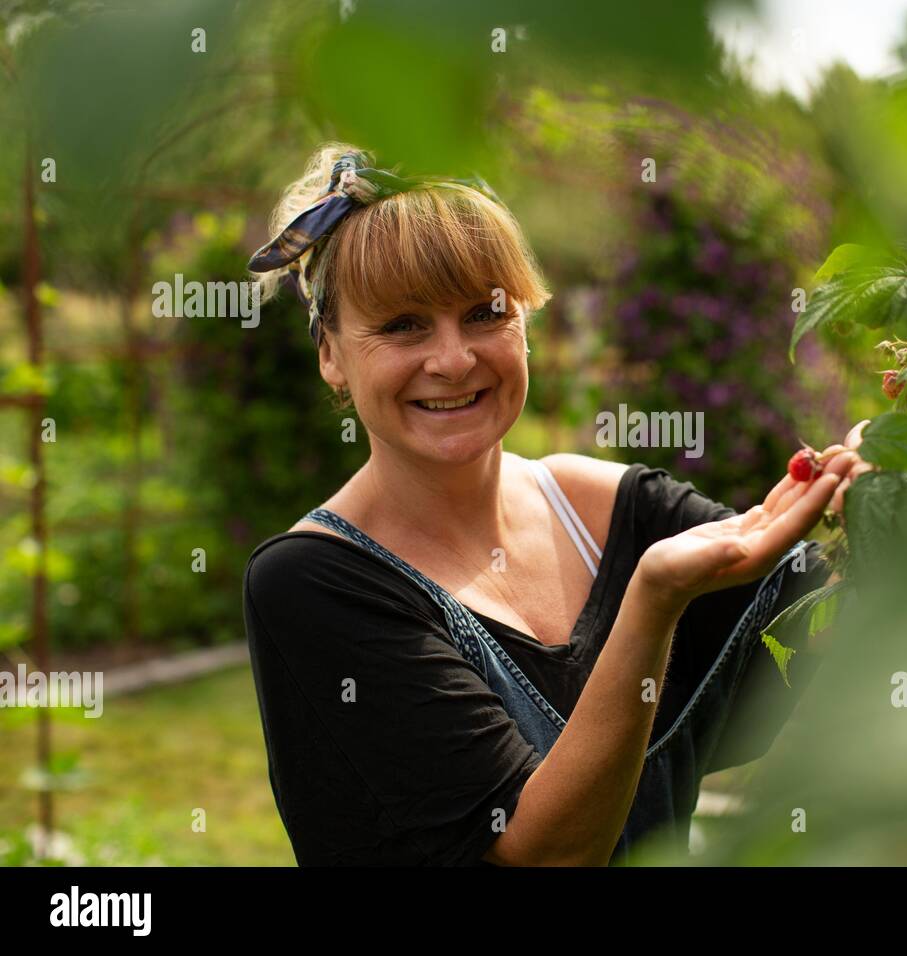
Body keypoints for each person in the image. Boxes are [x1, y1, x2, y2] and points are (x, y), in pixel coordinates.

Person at [240, 143, 872, 867]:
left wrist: (886, 484)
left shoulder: (604, 508)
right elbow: (543, 857)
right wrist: (653, 601)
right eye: (403, 325)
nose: (452, 359)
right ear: (330, 353)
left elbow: (837, 633)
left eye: (484, 313)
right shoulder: (312, 584)